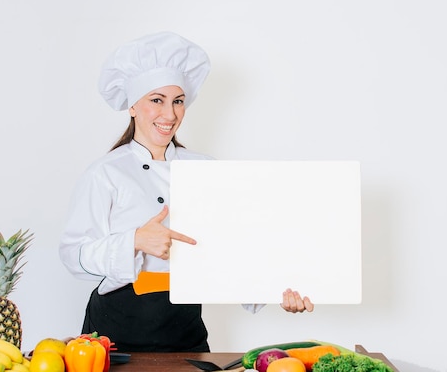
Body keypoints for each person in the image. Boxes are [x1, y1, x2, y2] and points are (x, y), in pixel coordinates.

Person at [59, 31, 314, 353]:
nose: (169, 114)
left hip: (184, 323)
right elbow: (72, 256)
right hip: (116, 324)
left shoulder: (206, 169)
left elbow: (234, 247)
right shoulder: (105, 172)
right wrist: (134, 241)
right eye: (157, 100)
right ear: (132, 107)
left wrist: (280, 292)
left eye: (178, 101)